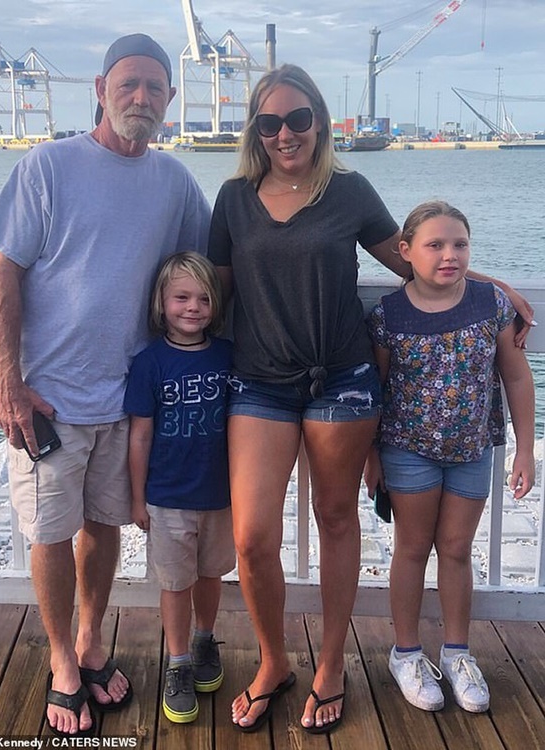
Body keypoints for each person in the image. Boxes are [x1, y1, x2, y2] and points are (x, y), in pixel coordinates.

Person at [206, 63, 536, 735]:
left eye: (299, 118)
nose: (285, 133)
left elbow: (412, 260)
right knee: (252, 536)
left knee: (335, 518)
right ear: (256, 131)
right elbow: (213, 293)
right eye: (270, 123)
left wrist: (491, 285)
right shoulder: (234, 198)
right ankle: (274, 661)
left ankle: (331, 665)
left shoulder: (349, 190)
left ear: (320, 123)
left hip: (344, 379)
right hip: (260, 381)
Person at [0, 34, 210, 737]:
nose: (141, 97)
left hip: (130, 401)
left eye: (155, 87)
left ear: (171, 99)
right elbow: (3, 274)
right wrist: (8, 381)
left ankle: (89, 641)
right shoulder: (48, 165)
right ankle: (61, 661)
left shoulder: (176, 182)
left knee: (104, 526)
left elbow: (217, 266)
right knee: (51, 532)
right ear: (100, 88)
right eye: (128, 83)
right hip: (50, 399)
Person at [364, 200, 535, 714]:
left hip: (471, 451)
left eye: (459, 244)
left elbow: (517, 377)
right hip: (408, 450)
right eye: (435, 245)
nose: (449, 255)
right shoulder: (388, 316)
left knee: (457, 549)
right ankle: (406, 653)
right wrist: (372, 456)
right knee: (413, 548)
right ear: (405, 251)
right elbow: (377, 390)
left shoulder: (490, 303)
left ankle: (457, 653)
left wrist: (525, 450)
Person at [124, 252, 234, 724]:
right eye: (182, 297)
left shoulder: (228, 355)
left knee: (210, 575)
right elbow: (140, 435)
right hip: (167, 497)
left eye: (204, 298)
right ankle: (178, 661)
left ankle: (205, 640)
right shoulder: (149, 363)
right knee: (174, 583)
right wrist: (137, 497)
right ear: (161, 303)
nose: (193, 307)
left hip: (221, 495)